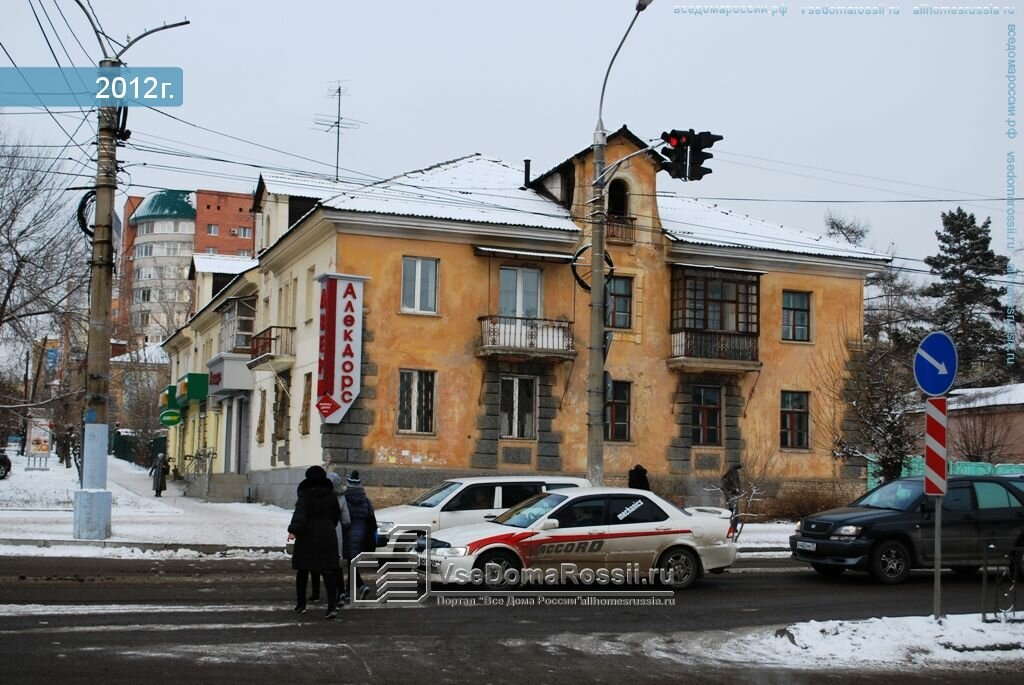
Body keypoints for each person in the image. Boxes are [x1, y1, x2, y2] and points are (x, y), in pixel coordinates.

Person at [287, 465, 342, 619]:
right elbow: (336, 515)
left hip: (307, 536)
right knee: (328, 570)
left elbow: (300, 514)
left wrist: (293, 531)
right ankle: (332, 605)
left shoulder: (305, 495)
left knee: (303, 570)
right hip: (327, 536)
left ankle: (301, 604)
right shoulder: (331, 495)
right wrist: (328, 526)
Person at [342, 470, 377, 600]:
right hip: (362, 535)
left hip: (348, 534)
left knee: (351, 563)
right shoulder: (366, 500)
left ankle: (349, 592)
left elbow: (343, 518)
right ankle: (359, 587)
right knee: (353, 563)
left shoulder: (344, 499)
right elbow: (371, 519)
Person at [326, 471, 352, 602]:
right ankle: (341, 591)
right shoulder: (342, 498)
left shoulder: (322, 496)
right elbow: (346, 519)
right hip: (337, 531)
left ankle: (324, 592)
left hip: (323, 530)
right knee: (337, 562)